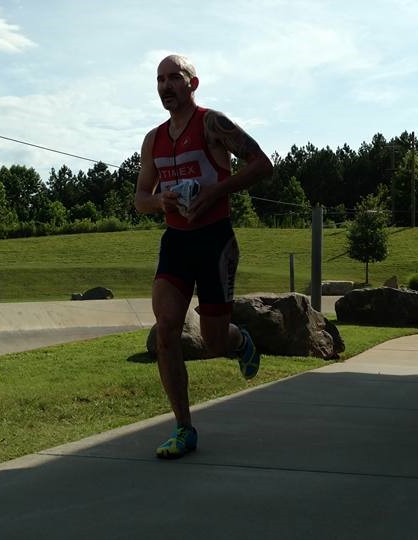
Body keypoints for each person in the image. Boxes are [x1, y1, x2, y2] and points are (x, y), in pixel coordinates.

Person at [134, 54, 274, 459]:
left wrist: (216, 190)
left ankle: (239, 339)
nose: (165, 86)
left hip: (215, 240)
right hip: (177, 242)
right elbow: (140, 198)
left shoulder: (213, 124)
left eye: (173, 78)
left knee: (213, 343)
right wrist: (160, 201)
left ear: (192, 83)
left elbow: (262, 164)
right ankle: (183, 428)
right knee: (166, 329)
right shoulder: (153, 140)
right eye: (160, 79)